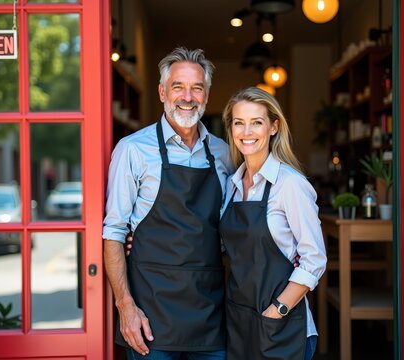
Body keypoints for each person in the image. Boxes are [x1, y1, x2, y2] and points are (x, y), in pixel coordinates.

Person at [102, 47, 233, 360]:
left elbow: (233, 226)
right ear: (162, 92)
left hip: (210, 312)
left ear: (207, 94)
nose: (187, 96)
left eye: (196, 88)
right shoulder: (133, 150)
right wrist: (125, 306)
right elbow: (114, 233)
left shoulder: (225, 153)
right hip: (151, 316)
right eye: (178, 87)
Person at [219, 87, 327, 360]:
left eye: (257, 122)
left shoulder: (290, 184)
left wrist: (277, 310)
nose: (247, 131)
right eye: (239, 122)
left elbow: (314, 259)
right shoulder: (231, 186)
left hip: (281, 326)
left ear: (274, 127)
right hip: (240, 321)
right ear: (231, 128)